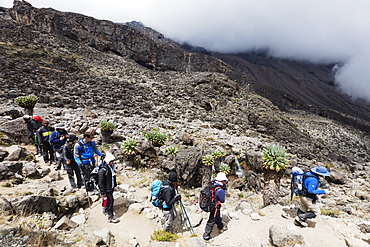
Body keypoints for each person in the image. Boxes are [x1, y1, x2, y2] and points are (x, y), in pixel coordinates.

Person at [203, 172, 228, 241]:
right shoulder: (220, 190)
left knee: (217, 216)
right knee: (212, 220)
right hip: (215, 206)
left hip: (211, 204)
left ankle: (220, 226)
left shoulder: (213, 184)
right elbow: (222, 200)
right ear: (222, 180)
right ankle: (206, 235)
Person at [98, 151, 119, 223]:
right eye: (112, 161)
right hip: (107, 189)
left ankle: (105, 209)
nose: (113, 162)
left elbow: (113, 177)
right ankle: (111, 216)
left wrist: (114, 185)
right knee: (110, 201)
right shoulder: (103, 170)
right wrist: (103, 192)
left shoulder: (110, 168)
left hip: (110, 187)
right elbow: (100, 182)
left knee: (108, 201)